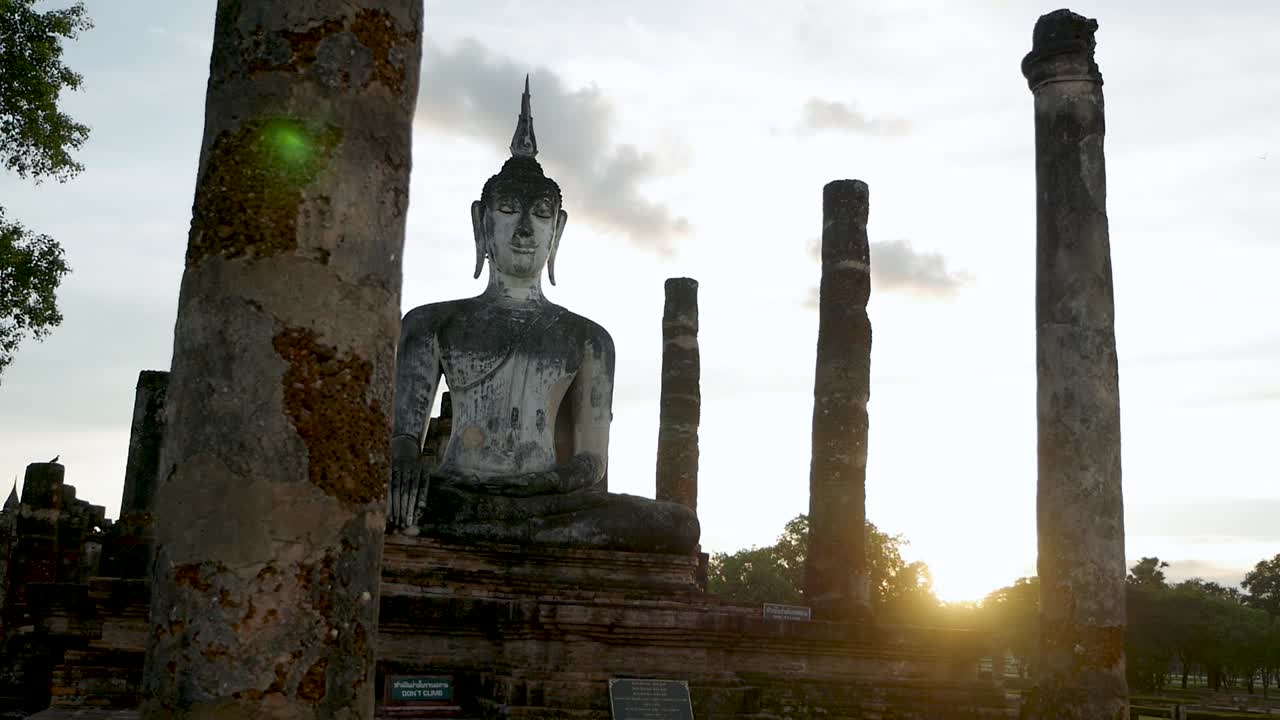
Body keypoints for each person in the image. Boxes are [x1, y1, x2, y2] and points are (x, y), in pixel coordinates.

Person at [388, 79, 699, 554]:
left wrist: (537, 487)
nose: (525, 230)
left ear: (559, 229)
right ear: (481, 221)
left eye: (541, 215)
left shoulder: (588, 339)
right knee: (379, 499)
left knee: (677, 526)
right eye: (509, 211)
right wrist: (405, 463)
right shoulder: (432, 324)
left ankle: (495, 529)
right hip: (455, 494)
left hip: (547, 504)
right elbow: (403, 442)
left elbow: (592, 462)